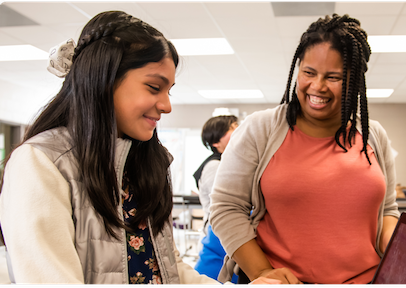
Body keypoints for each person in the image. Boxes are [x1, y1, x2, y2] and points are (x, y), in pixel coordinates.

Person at [0, 11, 279, 286]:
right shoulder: (40, 163)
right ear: (103, 79)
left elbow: (166, 268)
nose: (166, 105)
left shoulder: (144, 163)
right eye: (154, 87)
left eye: (168, 91)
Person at [210, 13, 400, 286]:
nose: (317, 86)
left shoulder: (372, 134)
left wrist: (401, 255)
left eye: (333, 77)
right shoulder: (260, 129)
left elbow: (387, 210)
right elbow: (226, 208)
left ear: (355, 80)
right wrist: (262, 272)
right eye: (309, 72)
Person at [192, 115, 239, 283]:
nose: (238, 130)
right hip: (217, 238)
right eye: (232, 127)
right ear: (215, 142)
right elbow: (226, 206)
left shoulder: (230, 163)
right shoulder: (214, 166)